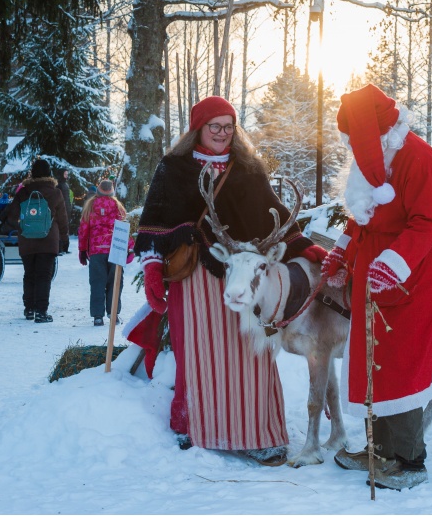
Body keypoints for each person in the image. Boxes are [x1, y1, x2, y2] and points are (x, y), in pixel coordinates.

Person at [133, 96, 327, 465]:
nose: (222, 133)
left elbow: (275, 216)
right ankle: (201, 427)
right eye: (214, 126)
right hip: (195, 280)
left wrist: (304, 247)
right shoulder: (173, 168)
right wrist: (153, 268)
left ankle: (258, 435)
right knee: (202, 355)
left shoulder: (248, 169)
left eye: (228, 126)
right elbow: (155, 225)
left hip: (246, 278)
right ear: (198, 129)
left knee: (251, 355)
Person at [321, 84, 432, 491]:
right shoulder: (368, 158)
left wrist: (394, 264)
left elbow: (427, 224)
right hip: (371, 272)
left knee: (401, 361)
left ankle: (409, 462)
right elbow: (362, 215)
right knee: (372, 358)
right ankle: (379, 450)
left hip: (409, 275)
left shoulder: (420, 158)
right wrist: (342, 253)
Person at [2, 158, 69, 323]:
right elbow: (62, 219)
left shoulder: (23, 192)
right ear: (49, 174)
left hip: (27, 240)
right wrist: (64, 238)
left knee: (29, 274)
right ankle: (41, 311)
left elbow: (12, 216)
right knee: (44, 276)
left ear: (32, 173)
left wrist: (21, 226)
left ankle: (29, 309)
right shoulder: (55, 192)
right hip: (48, 240)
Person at [78, 179, 134, 326]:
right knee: (115, 282)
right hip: (115, 250)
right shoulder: (118, 206)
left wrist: (82, 250)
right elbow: (123, 228)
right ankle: (113, 313)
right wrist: (129, 248)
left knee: (97, 282)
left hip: (96, 251)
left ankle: (98, 316)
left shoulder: (90, 206)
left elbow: (83, 230)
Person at [57, 168, 73, 253]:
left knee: (66, 228)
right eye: (65, 174)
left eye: (67, 174)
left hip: (67, 209)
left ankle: (65, 248)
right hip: (62, 209)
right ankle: (60, 248)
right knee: (61, 228)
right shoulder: (59, 185)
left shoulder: (65, 184)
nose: (66, 176)